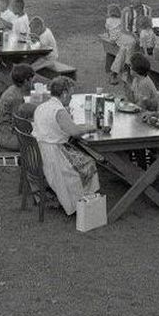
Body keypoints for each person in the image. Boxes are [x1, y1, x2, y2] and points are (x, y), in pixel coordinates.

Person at [31, 78, 99, 214]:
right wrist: (91, 128)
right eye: (71, 95)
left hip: (39, 151)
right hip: (54, 155)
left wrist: (81, 126)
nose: (71, 98)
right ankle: (81, 202)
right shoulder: (59, 110)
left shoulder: (42, 106)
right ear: (64, 93)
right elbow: (74, 132)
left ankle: (82, 198)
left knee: (80, 155)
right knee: (89, 162)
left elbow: (67, 127)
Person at [0, 63, 36, 150]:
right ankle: (30, 161)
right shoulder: (16, 98)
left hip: (4, 132)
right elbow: (20, 123)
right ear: (26, 81)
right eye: (32, 80)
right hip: (8, 137)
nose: (33, 83)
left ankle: (27, 161)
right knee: (42, 140)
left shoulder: (13, 89)